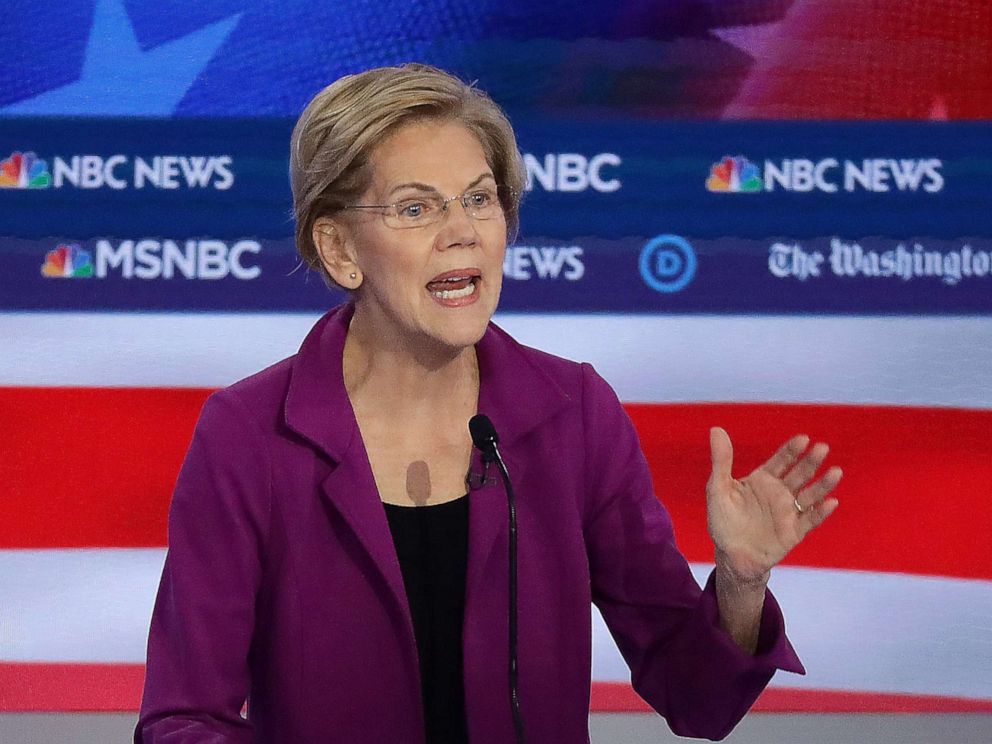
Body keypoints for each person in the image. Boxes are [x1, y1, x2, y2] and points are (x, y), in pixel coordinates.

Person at [135, 63, 841, 743]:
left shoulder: (574, 415)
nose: (463, 230)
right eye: (417, 207)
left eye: (479, 198)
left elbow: (698, 700)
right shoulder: (252, 435)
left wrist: (742, 584)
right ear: (339, 246)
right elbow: (183, 718)